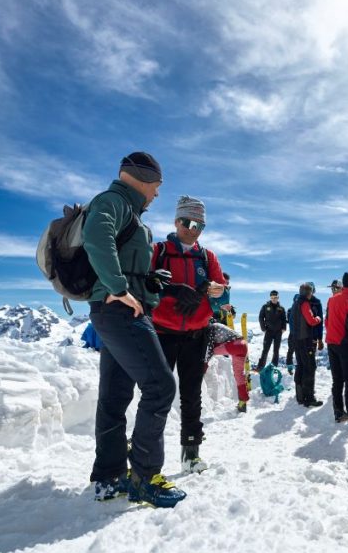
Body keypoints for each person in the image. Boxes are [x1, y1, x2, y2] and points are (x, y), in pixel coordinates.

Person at [84, 151, 184, 507]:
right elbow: (97, 237)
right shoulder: (113, 201)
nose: (157, 194)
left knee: (115, 395)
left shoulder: (130, 212)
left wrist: (146, 280)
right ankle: (145, 476)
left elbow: (121, 255)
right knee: (160, 386)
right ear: (141, 179)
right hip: (120, 311)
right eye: (156, 186)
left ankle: (109, 476)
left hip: (115, 309)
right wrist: (118, 288)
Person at [150, 195, 226, 474]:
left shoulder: (207, 257)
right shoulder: (158, 251)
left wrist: (215, 289)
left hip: (196, 334)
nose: (194, 230)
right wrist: (170, 290)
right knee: (157, 394)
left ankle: (190, 453)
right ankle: (148, 456)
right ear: (176, 221)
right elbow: (145, 284)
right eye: (189, 222)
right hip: (162, 332)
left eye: (200, 225)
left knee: (191, 394)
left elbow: (222, 290)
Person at [326, 272, 348, 423]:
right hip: (345, 344)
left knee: (337, 379)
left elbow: (327, 322)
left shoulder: (331, 299)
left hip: (331, 343)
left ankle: (339, 412)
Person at [289, 282, 323, 407]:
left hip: (297, 340)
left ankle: (300, 396)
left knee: (301, 366)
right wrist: (318, 318)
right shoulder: (305, 304)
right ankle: (309, 398)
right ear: (309, 293)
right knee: (310, 367)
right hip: (306, 341)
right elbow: (312, 321)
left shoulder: (295, 303)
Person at [205, 320, 250, 413]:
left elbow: (209, 350)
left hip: (235, 345)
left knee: (210, 351)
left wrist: (202, 367)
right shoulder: (216, 326)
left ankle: (242, 402)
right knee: (239, 375)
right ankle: (243, 402)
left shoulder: (209, 329)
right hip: (243, 345)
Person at [256, 290, 286, 371]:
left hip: (278, 332)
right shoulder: (265, 307)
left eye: (275, 297)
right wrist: (263, 328)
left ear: (278, 298)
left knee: (276, 350)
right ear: (270, 298)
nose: (273, 299)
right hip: (269, 331)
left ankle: (273, 367)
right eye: (272, 298)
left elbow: (284, 319)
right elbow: (261, 317)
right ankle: (260, 367)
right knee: (265, 350)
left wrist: (283, 328)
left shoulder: (281, 308)